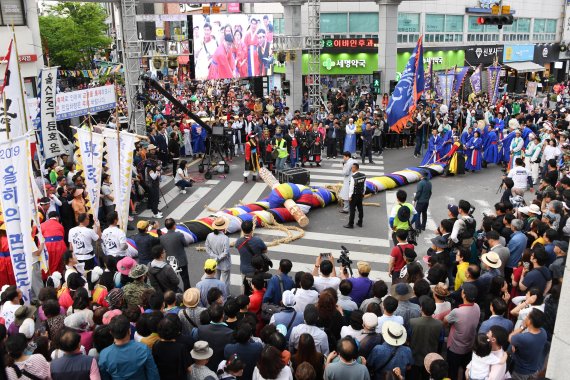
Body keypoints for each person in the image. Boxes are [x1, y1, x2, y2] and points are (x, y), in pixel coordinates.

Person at [98, 315, 159, 379]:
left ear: (111, 333)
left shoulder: (104, 355)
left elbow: (105, 377)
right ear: (129, 330)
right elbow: (153, 375)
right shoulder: (143, 349)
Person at [444, 283, 480, 380]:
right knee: (466, 370)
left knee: (452, 371)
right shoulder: (477, 306)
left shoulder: (457, 312)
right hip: (469, 347)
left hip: (455, 349)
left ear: (463, 294)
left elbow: (445, 321)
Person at [409, 296, 443, 380]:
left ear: (421, 308)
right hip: (430, 359)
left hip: (415, 357)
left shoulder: (412, 322)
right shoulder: (439, 324)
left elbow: (408, 338)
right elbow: (441, 341)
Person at [508, 309, 548, 380]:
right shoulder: (543, 333)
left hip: (520, 372)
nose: (525, 317)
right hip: (534, 369)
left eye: (527, 316)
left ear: (529, 321)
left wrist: (522, 327)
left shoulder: (523, 338)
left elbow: (510, 337)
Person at [192, 304, 233, 372]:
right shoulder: (230, 333)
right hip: (222, 368)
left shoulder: (200, 329)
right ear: (223, 315)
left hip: (204, 365)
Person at [160, 218, 191, 290]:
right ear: (174, 225)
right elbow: (186, 244)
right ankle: (188, 294)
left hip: (170, 262)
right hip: (181, 261)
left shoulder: (162, 238)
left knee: (172, 279)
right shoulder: (179, 235)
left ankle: (174, 293)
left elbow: (163, 248)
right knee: (185, 279)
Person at [205, 217, 231, 291]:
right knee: (225, 282)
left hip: (213, 263)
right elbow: (225, 253)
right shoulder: (225, 238)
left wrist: (214, 257)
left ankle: (216, 295)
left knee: (215, 280)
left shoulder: (209, 235)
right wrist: (218, 258)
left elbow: (207, 248)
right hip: (224, 263)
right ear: (223, 227)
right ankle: (226, 296)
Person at [41, 211, 69, 277]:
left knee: (48, 263)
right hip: (60, 245)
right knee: (59, 264)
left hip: (47, 245)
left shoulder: (42, 225)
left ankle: (49, 279)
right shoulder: (60, 225)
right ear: (57, 217)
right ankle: (59, 278)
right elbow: (62, 235)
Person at [344, 163, 366, 229]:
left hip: (354, 195)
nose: (351, 169)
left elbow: (351, 188)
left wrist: (350, 196)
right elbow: (364, 185)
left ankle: (351, 224)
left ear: (354, 168)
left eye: (352, 168)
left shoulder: (353, 177)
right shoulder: (363, 176)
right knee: (360, 209)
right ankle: (360, 222)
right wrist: (363, 193)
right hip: (360, 195)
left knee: (352, 210)